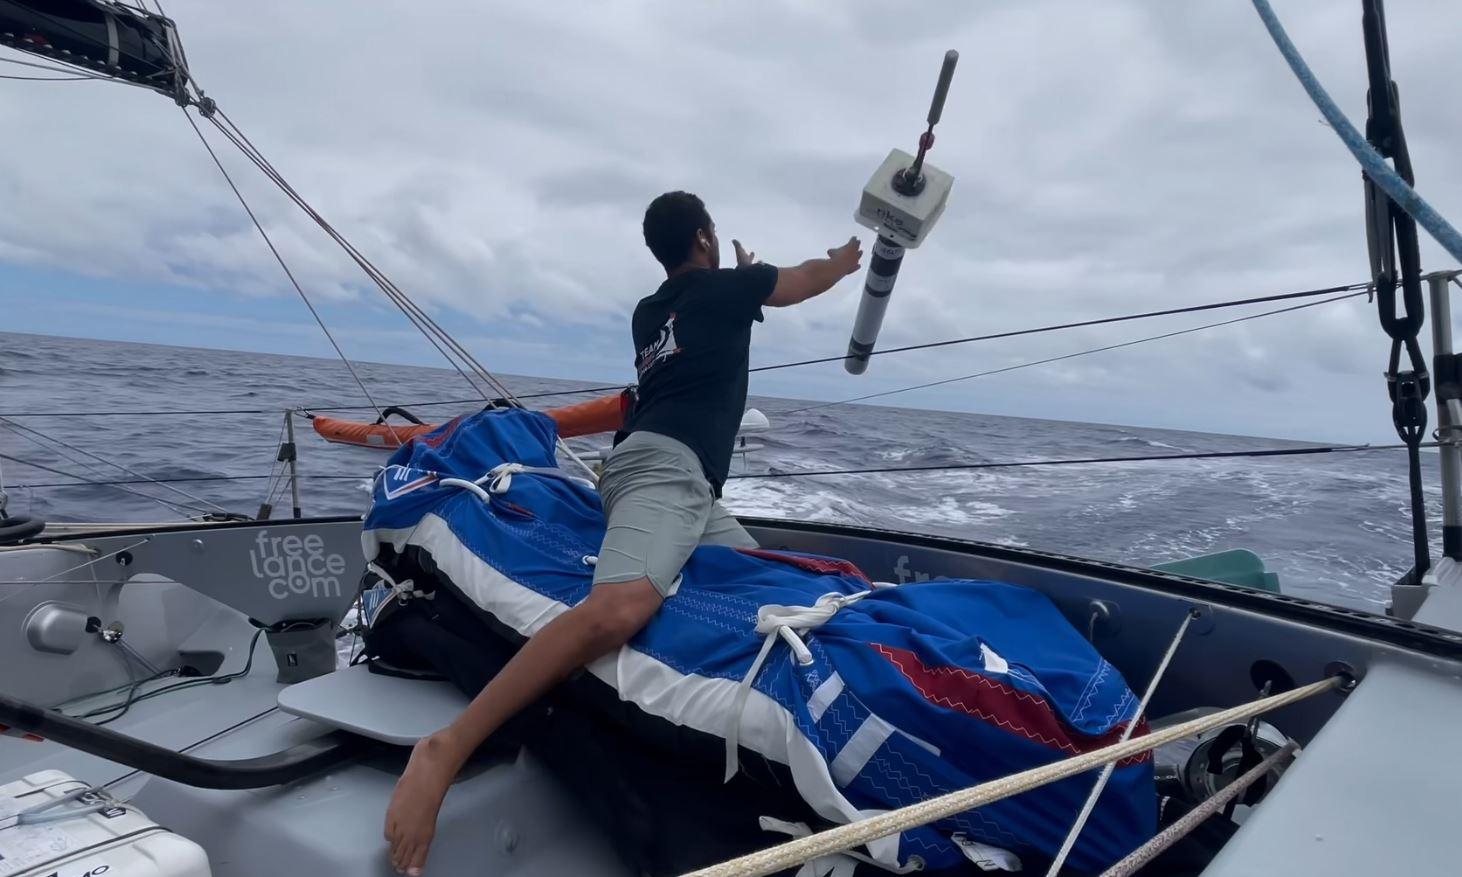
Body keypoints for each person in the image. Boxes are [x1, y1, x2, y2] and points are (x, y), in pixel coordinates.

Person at [383, 191, 863, 875]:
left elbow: (712, 318)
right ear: (704, 238)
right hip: (662, 470)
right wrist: (843, 261)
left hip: (676, 480)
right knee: (618, 610)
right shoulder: (729, 288)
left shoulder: (650, 314)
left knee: (774, 597)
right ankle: (446, 748)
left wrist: (740, 279)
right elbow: (806, 279)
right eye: (714, 237)